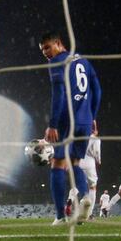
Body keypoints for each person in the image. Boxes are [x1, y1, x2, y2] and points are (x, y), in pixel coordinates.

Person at [39, 32, 102, 225]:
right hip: (84, 121)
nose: (46, 53)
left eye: (48, 47)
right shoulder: (83, 60)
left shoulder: (57, 62)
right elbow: (97, 90)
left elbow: (58, 94)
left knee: (57, 165)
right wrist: (92, 116)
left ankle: (59, 216)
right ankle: (84, 198)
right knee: (74, 163)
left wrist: (53, 124)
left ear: (58, 44)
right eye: (43, 50)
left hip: (67, 119)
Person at [66, 127, 102, 219]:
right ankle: (89, 213)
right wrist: (98, 161)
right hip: (90, 164)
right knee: (93, 188)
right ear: (94, 130)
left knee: (77, 185)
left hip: (77, 163)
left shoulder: (77, 136)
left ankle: (70, 199)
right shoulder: (95, 139)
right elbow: (97, 152)